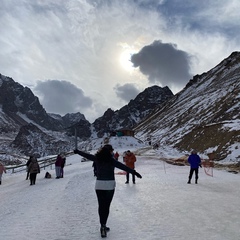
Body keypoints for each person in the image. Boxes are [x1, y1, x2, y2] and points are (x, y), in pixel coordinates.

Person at [73, 144, 142, 238]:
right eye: (111, 150)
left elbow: (87, 156)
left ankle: (102, 225)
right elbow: (123, 167)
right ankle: (104, 226)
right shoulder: (111, 160)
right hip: (109, 185)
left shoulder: (97, 158)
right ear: (109, 151)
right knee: (106, 206)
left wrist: (78, 152)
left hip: (99, 185)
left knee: (101, 206)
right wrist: (134, 172)